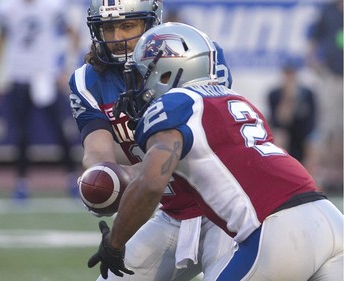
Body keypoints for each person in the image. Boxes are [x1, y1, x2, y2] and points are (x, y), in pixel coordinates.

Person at [88, 22, 344, 280]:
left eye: (142, 76)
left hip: (280, 229)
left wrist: (115, 242)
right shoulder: (235, 100)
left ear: (167, 73)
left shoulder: (173, 105)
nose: (137, 87)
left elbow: (152, 183)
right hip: (329, 219)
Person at [69, 1, 235, 280]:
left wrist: (132, 174)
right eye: (108, 27)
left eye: (127, 25)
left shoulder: (193, 56)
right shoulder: (87, 80)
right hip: (172, 212)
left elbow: (186, 148)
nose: (117, 38)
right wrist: (102, 177)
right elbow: (96, 150)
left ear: (151, 23)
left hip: (225, 211)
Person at [0, 0, 80, 200]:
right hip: (19, 76)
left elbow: (73, 32)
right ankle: (21, 183)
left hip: (45, 76)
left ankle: (72, 179)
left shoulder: (52, 6)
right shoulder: (6, 8)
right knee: (21, 134)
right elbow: (0, 41)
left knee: (59, 130)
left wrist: (67, 66)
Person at [306, 0, 343, 193]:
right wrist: (313, 60)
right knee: (328, 126)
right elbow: (313, 38)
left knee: (341, 128)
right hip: (331, 75)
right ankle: (329, 173)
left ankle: (340, 173)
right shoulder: (328, 11)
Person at [267, 57, 318, 167]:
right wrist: (288, 98)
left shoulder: (307, 93)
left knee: (312, 142)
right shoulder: (274, 94)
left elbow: (311, 121)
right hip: (285, 133)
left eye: (292, 73)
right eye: (287, 73)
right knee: (280, 137)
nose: (290, 77)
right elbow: (280, 121)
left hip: (303, 133)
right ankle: (282, 166)